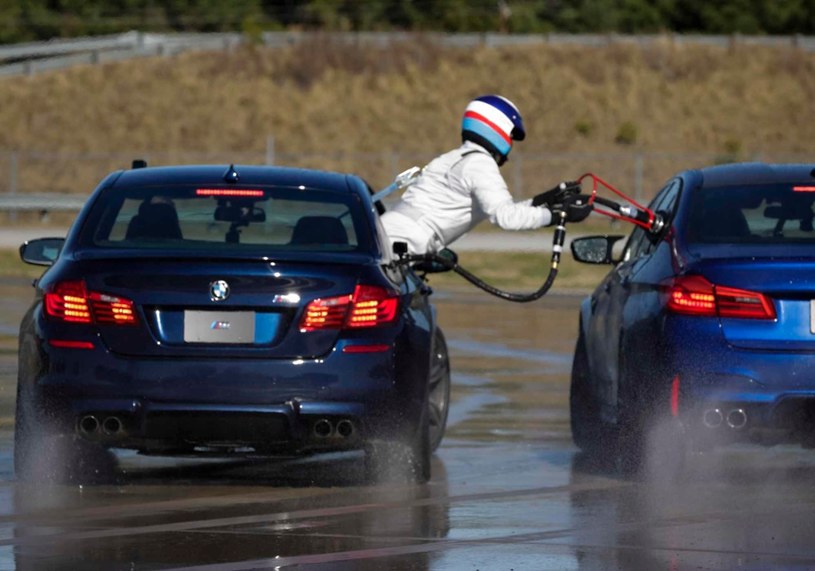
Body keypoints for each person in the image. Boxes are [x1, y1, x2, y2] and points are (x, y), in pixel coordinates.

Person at [381, 94, 593, 255]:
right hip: (404, 244)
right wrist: (559, 216)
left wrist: (548, 199)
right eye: (510, 136)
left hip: (387, 237)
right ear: (496, 128)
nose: (510, 143)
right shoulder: (479, 164)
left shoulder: (454, 158)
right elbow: (506, 218)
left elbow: (503, 209)